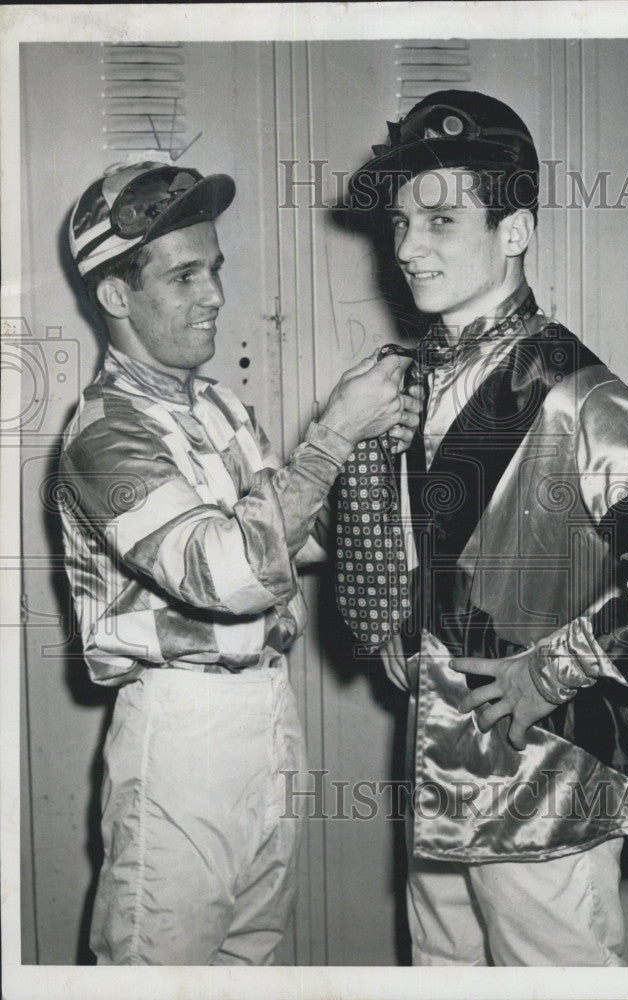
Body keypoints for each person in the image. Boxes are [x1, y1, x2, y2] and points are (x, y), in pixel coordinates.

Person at [344, 91, 628, 966]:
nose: (408, 247)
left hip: (544, 786)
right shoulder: (407, 380)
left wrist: (551, 669)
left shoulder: (577, 395)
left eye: (442, 220)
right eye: (401, 222)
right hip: (440, 771)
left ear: (515, 231)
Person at [59, 160, 421, 965]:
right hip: (183, 729)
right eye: (184, 275)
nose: (215, 294)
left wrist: (372, 454)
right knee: (159, 968)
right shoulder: (102, 438)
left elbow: (290, 540)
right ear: (116, 296)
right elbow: (227, 574)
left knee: (248, 961)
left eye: (213, 270)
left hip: (266, 708)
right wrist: (330, 437)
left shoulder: (215, 403)